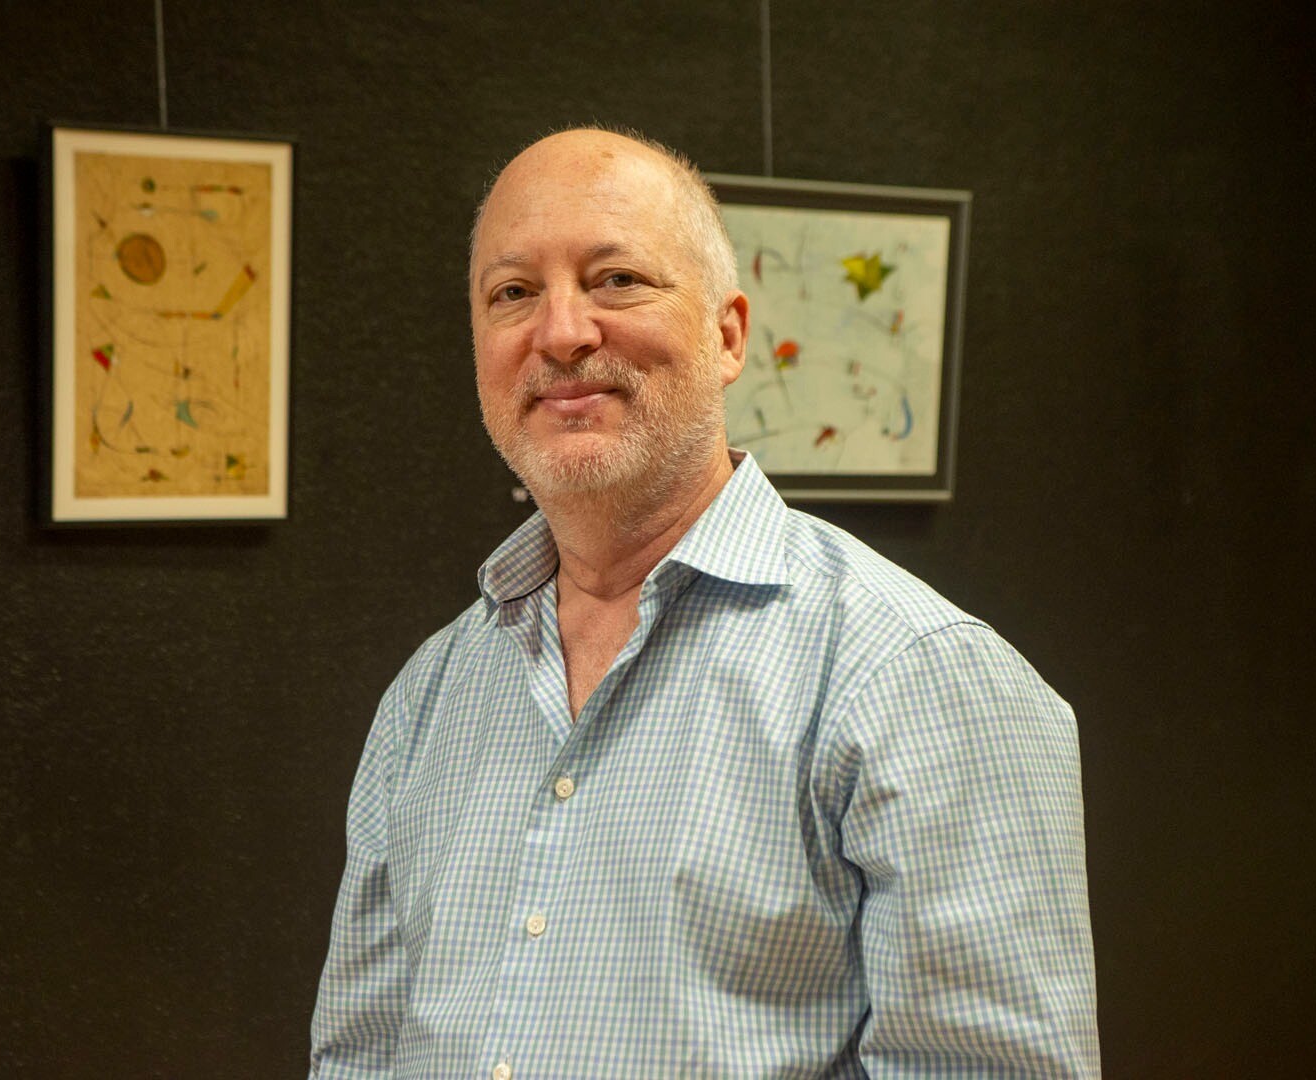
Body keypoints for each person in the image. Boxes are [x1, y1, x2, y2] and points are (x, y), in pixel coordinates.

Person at [309, 127, 1100, 1078]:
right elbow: (359, 1056)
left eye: (616, 280)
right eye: (512, 293)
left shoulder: (916, 675)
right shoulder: (431, 693)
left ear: (727, 336)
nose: (561, 333)